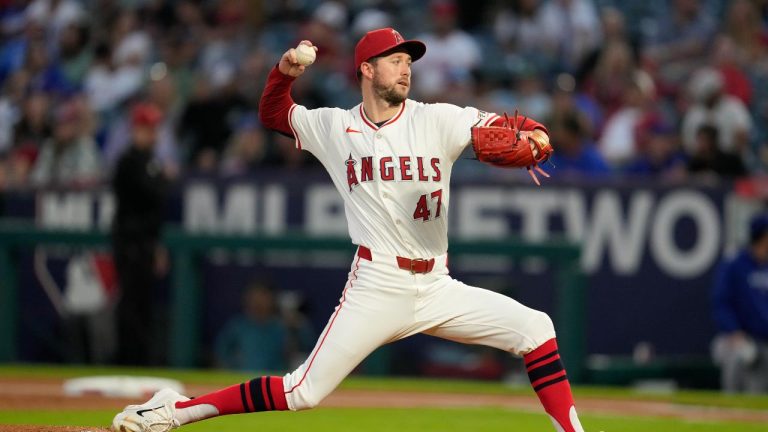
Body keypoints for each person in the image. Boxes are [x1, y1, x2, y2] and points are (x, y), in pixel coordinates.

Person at [112, 28, 584, 432]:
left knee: (535, 328)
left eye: (408, 62)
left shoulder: (437, 119)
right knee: (302, 392)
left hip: (437, 284)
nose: (405, 69)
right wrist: (284, 73)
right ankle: (172, 412)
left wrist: (538, 139)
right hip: (377, 284)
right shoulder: (334, 127)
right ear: (366, 70)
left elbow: (517, 127)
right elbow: (274, 115)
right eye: (394, 61)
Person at [111, 102, 169, 366]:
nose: (153, 133)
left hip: (145, 241)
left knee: (142, 304)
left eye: (154, 128)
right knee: (131, 304)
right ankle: (127, 359)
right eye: (148, 128)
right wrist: (164, 179)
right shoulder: (129, 161)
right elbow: (151, 193)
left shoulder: (149, 160)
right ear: (136, 130)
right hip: (130, 241)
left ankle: (139, 359)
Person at [711, 214, 768, 393]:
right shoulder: (735, 264)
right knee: (738, 359)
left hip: (765, 341)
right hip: (739, 339)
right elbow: (721, 303)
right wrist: (736, 335)